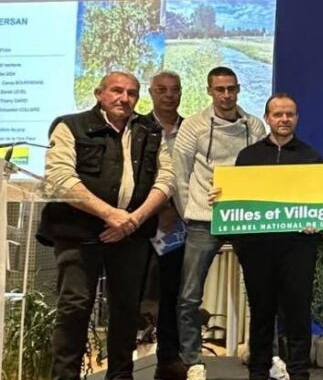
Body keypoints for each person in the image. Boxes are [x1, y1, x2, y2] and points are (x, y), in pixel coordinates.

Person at [39, 71, 174, 380]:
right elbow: (60, 180)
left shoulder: (150, 130)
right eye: (117, 91)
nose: (124, 98)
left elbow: (167, 179)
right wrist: (110, 215)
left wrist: (133, 220)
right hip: (78, 234)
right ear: (99, 93)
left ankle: (120, 375)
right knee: (75, 308)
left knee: (127, 311)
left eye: (131, 93)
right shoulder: (69, 125)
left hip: (132, 234)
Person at [171, 66, 267, 380]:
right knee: (189, 293)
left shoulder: (255, 125)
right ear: (210, 91)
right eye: (220, 89)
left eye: (231, 89)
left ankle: (259, 352)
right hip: (203, 219)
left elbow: (264, 172)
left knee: (261, 289)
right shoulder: (194, 126)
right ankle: (193, 360)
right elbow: (180, 175)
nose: (226, 95)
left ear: (238, 89)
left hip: (245, 219)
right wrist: (190, 211)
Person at [229, 93, 323, 380]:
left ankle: (298, 371)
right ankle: (258, 371)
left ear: (297, 117)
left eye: (289, 114)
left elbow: (321, 202)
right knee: (261, 312)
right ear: (268, 117)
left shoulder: (311, 157)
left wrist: (316, 221)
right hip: (257, 248)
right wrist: (221, 196)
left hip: (298, 247)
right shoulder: (248, 156)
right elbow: (237, 200)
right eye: (278, 114)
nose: (284, 119)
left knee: (297, 311)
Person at [147, 71, 187, 380]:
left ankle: (169, 357)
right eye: (162, 90)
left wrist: (173, 208)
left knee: (173, 293)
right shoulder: (137, 127)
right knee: (133, 294)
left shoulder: (192, 129)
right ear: (151, 93)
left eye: (174, 90)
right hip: (138, 220)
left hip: (178, 224)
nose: (169, 95)